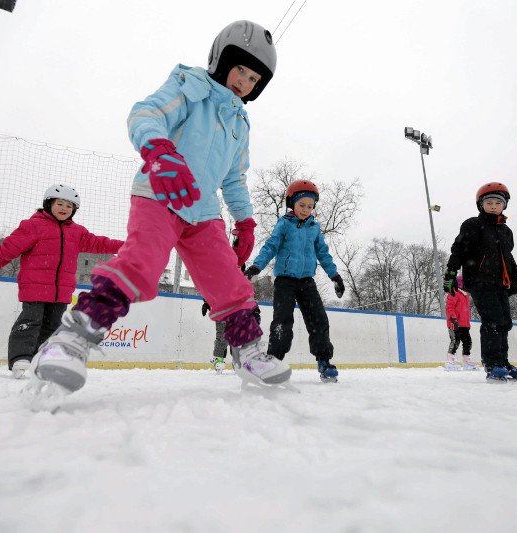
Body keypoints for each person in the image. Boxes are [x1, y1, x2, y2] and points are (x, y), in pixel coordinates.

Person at [28, 21, 290, 394]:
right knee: (142, 264)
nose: (244, 82)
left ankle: (248, 352)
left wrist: (245, 222)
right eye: (240, 70)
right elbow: (145, 113)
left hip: (204, 213)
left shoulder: (240, 123)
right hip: (159, 192)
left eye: (254, 79)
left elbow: (234, 178)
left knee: (231, 283)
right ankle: (70, 341)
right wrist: (159, 151)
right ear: (221, 60)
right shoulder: (190, 86)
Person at [0, 184, 123, 378]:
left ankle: (39, 359)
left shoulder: (77, 232)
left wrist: (127, 246)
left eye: (69, 206)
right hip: (34, 287)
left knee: (52, 327)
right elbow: (8, 248)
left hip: (61, 291)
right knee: (30, 321)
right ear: (48, 204)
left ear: (74, 211)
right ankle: (20, 358)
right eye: (59, 203)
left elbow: (100, 243)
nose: (64, 208)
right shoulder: (33, 226)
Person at [244, 180, 345, 383]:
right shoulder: (284, 224)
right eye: (302, 205)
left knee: (318, 319)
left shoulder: (314, 228)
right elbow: (271, 246)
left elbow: (323, 254)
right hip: (285, 281)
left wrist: (335, 276)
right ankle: (274, 361)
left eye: (310, 206)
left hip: (307, 281)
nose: (306, 210)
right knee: (282, 322)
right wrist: (256, 267)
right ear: (292, 203)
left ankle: (324, 361)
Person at [443, 182, 517, 383]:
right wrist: (451, 272)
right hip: (479, 280)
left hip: (499, 283)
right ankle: (492, 363)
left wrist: (515, 278)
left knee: (505, 322)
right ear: (481, 205)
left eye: (498, 202)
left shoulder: (506, 231)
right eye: (489, 202)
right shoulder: (473, 224)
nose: (494, 206)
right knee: (493, 320)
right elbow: (458, 249)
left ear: (504, 206)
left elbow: (508, 257)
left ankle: (503, 362)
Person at [444, 274, 478, 371]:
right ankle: (449, 361)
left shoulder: (466, 295)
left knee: (468, 342)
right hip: (454, 322)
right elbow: (449, 307)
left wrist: (467, 323)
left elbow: (465, 311)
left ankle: (466, 361)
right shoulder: (454, 292)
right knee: (455, 341)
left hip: (464, 324)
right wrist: (453, 319)